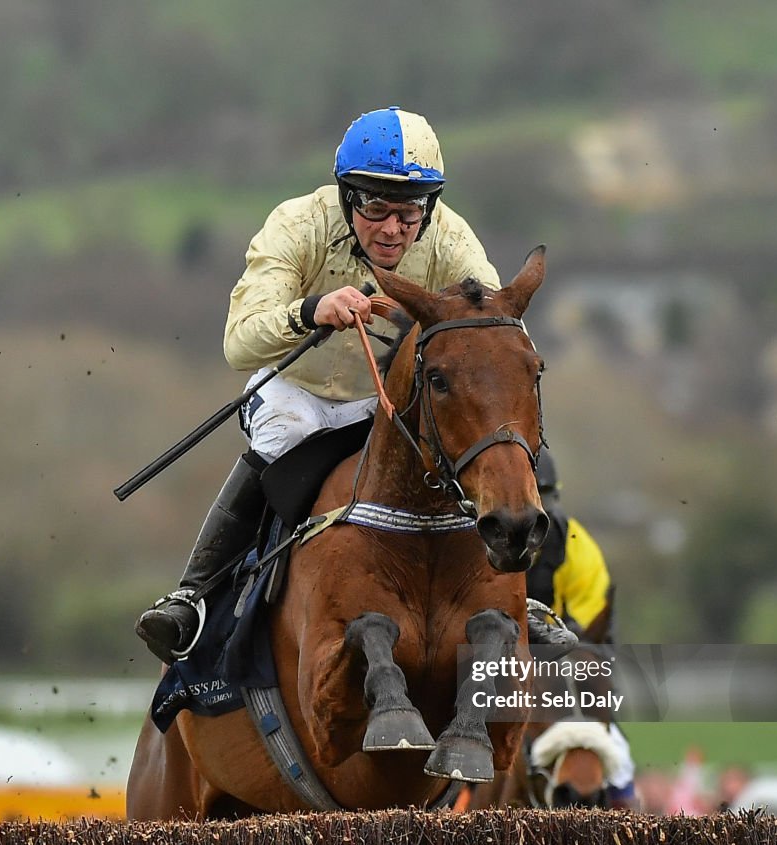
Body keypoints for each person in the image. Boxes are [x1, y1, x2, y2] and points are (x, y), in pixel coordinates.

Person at [136, 106, 504, 664]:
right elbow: (238, 345)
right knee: (286, 435)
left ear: (430, 206)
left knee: (463, 447)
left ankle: (511, 593)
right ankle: (193, 595)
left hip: (384, 401)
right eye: (375, 207)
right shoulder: (296, 224)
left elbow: (491, 331)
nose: (391, 229)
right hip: (295, 388)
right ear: (345, 193)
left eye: (408, 214)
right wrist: (310, 311)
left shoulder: (453, 240)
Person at [526, 447, 638, 807]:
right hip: (492, 659)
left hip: (556, 661)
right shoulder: (471, 541)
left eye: (538, 504)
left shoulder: (576, 546)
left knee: (618, 754)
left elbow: (589, 627)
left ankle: (624, 815)